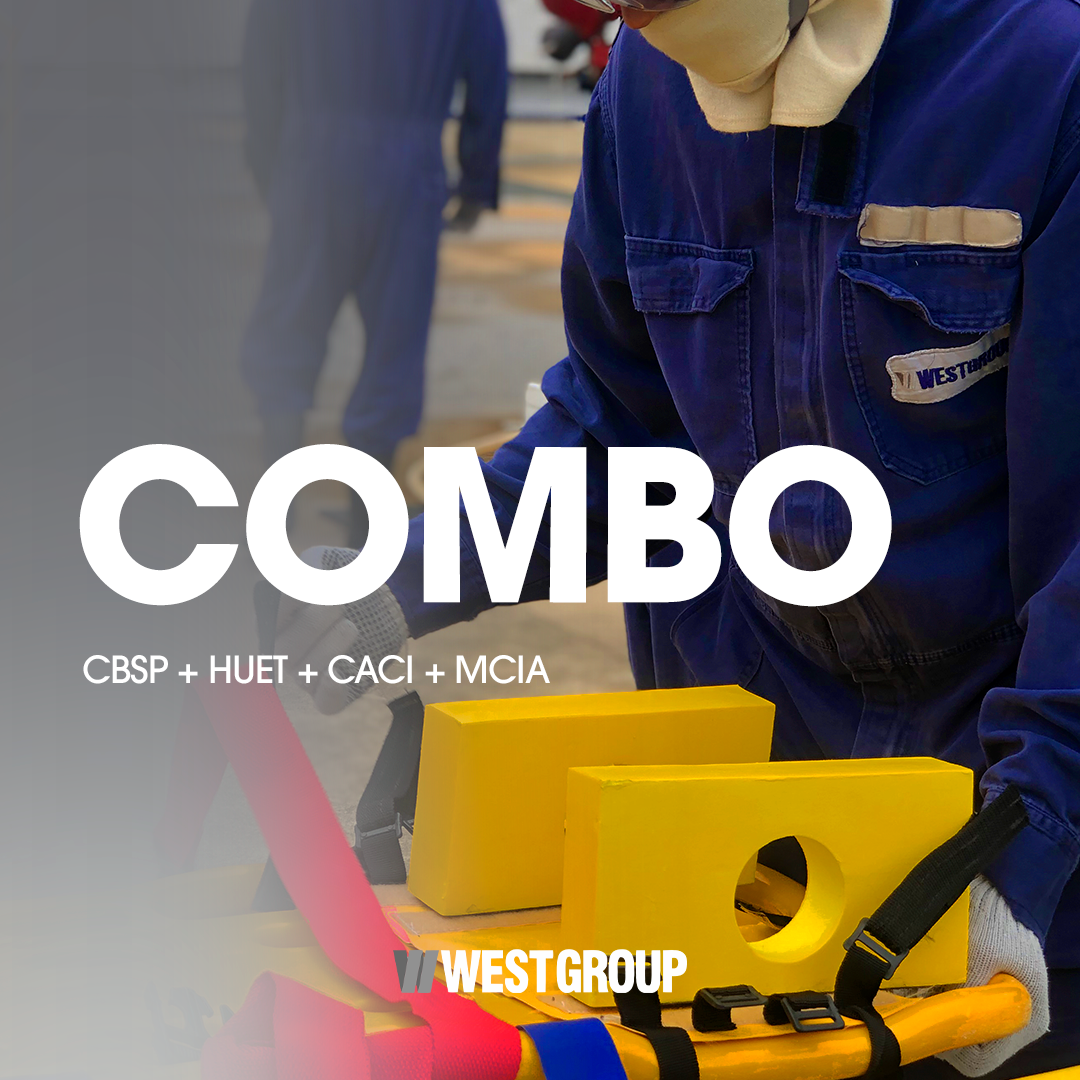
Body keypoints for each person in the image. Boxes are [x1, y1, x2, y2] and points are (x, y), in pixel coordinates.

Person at [275, 0, 1080, 1074]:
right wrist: (406, 575)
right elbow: (622, 427)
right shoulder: (648, 94)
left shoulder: (1044, 74)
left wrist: (1024, 850)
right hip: (752, 837)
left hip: (1008, 823)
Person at [240, 0, 508, 546]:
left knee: (289, 328)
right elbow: (488, 74)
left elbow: (260, 65)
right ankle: (364, 526)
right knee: (394, 343)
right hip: (407, 168)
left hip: (311, 160)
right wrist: (477, 181)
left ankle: (276, 509)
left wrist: (273, 167)